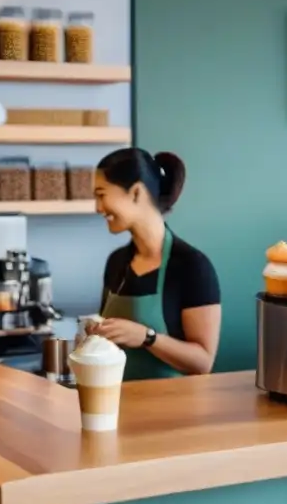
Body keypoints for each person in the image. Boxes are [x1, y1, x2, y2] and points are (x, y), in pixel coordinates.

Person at [89, 148, 221, 380]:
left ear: (136, 193)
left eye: (102, 195)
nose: (98, 208)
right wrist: (97, 334)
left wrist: (147, 337)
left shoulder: (192, 267)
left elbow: (202, 363)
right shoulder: (117, 262)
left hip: (173, 410)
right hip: (117, 404)